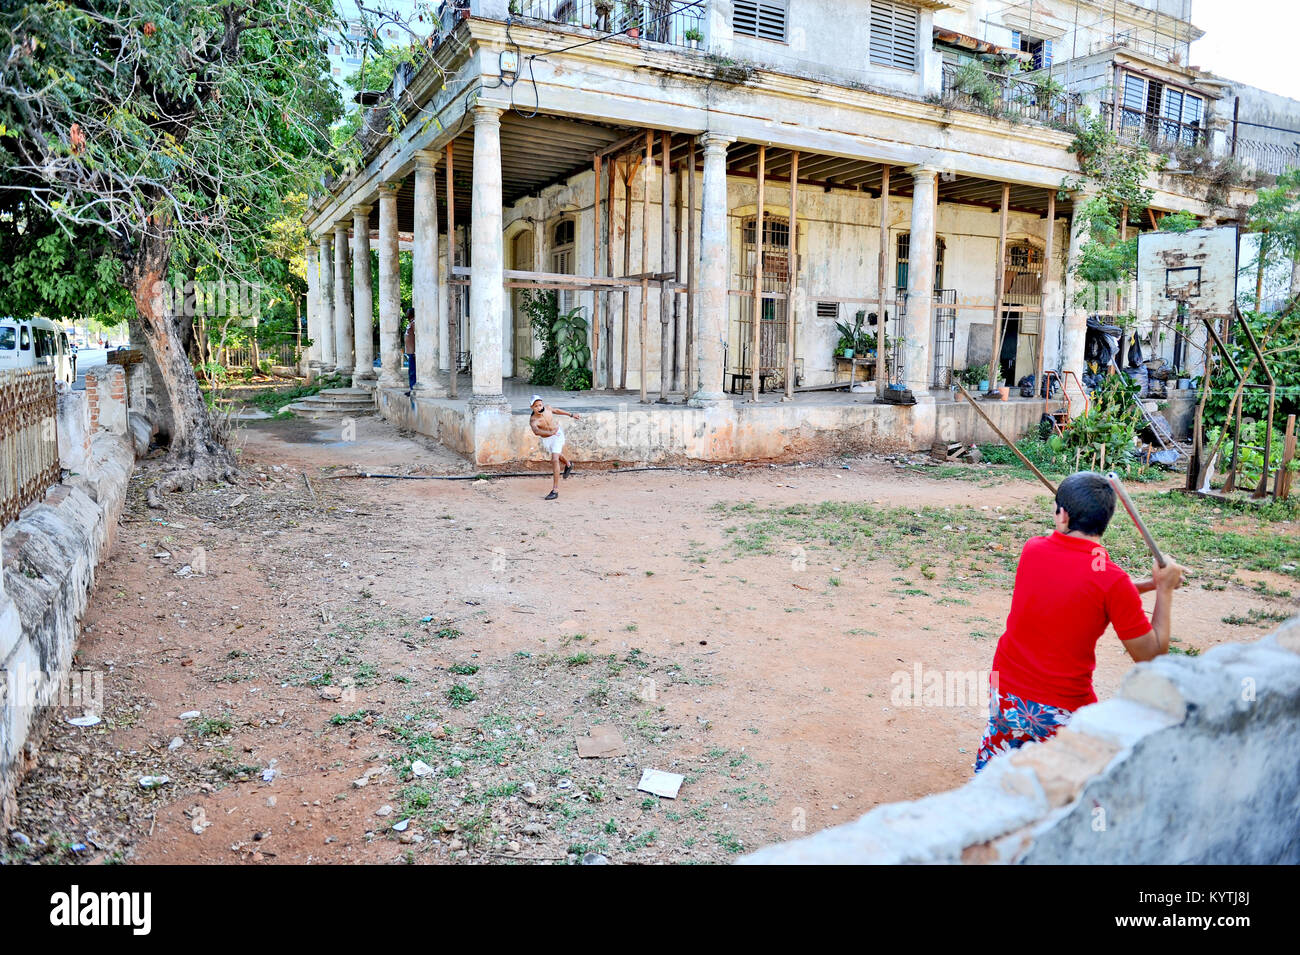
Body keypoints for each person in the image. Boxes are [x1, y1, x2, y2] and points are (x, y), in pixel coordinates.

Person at [973, 471, 1183, 773]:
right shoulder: (1112, 582)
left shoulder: (1033, 549)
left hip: (1004, 691)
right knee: (1076, 784)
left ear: (1063, 515)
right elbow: (1151, 656)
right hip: (1060, 708)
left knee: (1001, 773)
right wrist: (1164, 590)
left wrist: (1151, 585)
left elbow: (1079, 585)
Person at [529, 395, 580, 500]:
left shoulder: (547, 408)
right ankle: (568, 464)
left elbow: (556, 410)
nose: (539, 408)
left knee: (554, 459)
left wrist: (571, 414)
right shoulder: (533, 420)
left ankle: (555, 490)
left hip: (557, 435)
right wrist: (549, 432)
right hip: (547, 439)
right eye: (536, 406)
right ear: (531, 407)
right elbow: (536, 431)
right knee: (557, 454)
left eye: (540, 405)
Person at [403, 307, 416, 392]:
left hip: (412, 352)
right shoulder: (410, 323)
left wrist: (415, 351)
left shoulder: (414, 323)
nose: (406, 314)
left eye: (407, 312)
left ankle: (413, 389)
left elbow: (416, 336)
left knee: (412, 371)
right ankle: (411, 388)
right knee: (410, 371)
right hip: (409, 351)